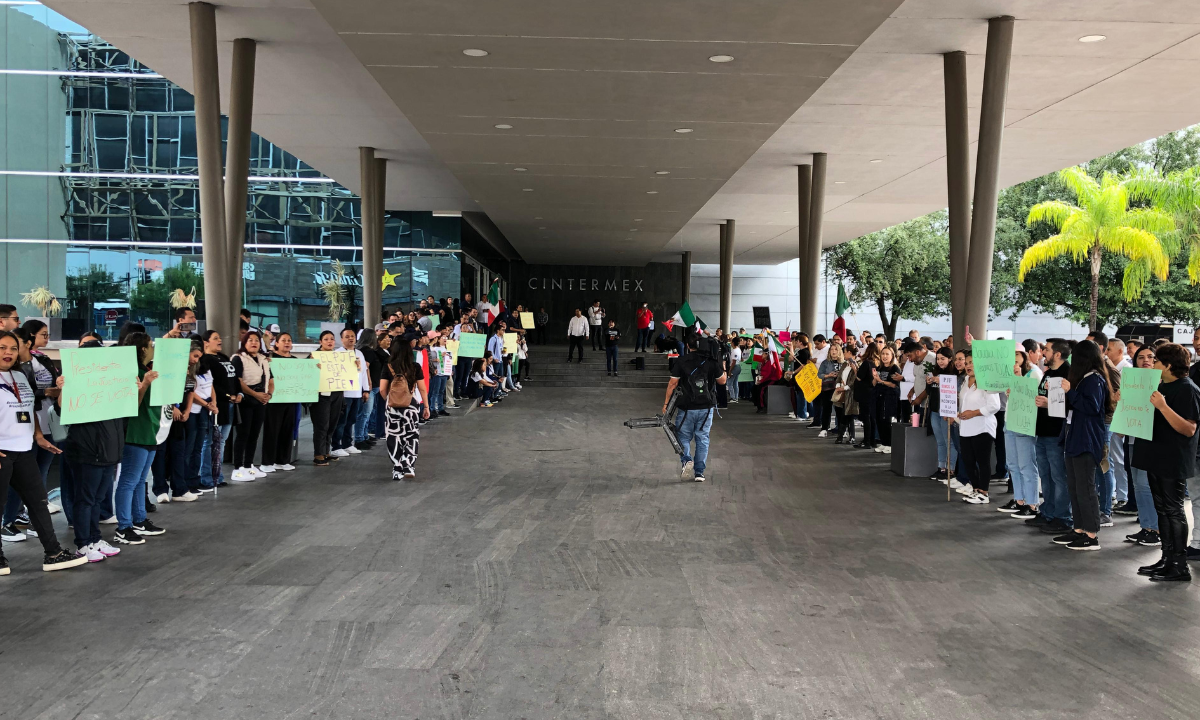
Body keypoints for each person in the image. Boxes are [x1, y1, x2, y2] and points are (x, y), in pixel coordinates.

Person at [0, 330, 89, 574]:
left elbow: (26, 409)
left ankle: (54, 553)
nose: (8, 352)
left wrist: (38, 436)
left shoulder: (19, 375)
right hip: (3, 453)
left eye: (12, 348)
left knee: (38, 504)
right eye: (2, 348)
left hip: (24, 450)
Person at [1133, 343, 1200, 581]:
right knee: (1162, 508)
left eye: (1157, 361)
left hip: (1173, 457)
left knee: (1173, 510)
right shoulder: (1162, 385)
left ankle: (1179, 564)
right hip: (1156, 454)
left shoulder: (1187, 388)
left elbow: (1189, 428)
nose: (1153, 364)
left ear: (1169, 365)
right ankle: (1166, 557)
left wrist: (1162, 407)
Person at [1053, 340, 1112, 551]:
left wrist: (1070, 392)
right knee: (1074, 486)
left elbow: (1091, 406)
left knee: (1086, 487)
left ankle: (1091, 533)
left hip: (1086, 439)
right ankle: (1078, 528)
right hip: (1074, 437)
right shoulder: (1082, 379)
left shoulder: (1094, 379)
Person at [111, 332, 167, 545]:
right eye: (150, 345)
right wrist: (144, 384)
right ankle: (123, 526)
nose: (153, 348)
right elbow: (131, 404)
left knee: (140, 480)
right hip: (135, 432)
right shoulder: (131, 372)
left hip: (150, 430)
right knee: (128, 480)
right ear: (143, 348)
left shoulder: (147, 370)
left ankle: (139, 519)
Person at [662, 332, 727, 483]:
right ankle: (699, 473)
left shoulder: (682, 361)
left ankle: (686, 460)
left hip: (686, 407)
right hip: (706, 408)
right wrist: (721, 364)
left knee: (683, 437)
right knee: (702, 438)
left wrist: (666, 404)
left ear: (687, 345)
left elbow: (672, 384)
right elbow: (722, 381)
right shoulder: (710, 361)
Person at [1029, 339, 1073, 535]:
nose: (1043, 352)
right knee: (1045, 474)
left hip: (1057, 431)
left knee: (1058, 476)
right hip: (1043, 429)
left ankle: (1063, 516)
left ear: (1057, 354)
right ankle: (1048, 510)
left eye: (1046, 349)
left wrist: (1049, 404)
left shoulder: (1068, 374)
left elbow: (1072, 404)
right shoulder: (1048, 373)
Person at [1121, 345, 1161, 547]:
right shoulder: (1131, 384)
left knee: (1146, 486)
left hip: (1151, 442)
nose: (1146, 360)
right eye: (1141, 357)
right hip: (1132, 439)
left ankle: (1154, 529)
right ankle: (1146, 527)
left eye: (1150, 357)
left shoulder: (1161, 383)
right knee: (1138, 485)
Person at [952, 350, 1002, 504]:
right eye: (966, 363)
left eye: (971, 362)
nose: (968, 366)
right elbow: (964, 405)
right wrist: (955, 415)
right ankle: (975, 489)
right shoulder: (965, 381)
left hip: (983, 427)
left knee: (983, 460)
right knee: (968, 460)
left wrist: (974, 413)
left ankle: (984, 492)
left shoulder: (986, 382)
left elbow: (994, 405)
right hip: (966, 428)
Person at [998, 350, 1042, 519]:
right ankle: (1019, 500)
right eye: (1012, 362)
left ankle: (1032, 503)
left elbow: (1036, 398)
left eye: (1018, 361)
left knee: (1026, 465)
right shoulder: (1013, 376)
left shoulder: (1034, 374)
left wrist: (1019, 380)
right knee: (1013, 464)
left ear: (1025, 360)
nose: (1015, 365)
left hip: (1025, 423)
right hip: (1010, 421)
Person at [381, 335, 427, 480]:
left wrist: (390, 399)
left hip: (392, 407)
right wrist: (426, 406)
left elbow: (382, 389)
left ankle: (397, 468)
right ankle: (409, 465)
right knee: (411, 435)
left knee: (394, 436)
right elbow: (423, 389)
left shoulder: (388, 366)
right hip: (411, 406)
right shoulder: (415, 367)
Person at [199, 330, 240, 488]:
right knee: (209, 442)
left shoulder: (223, 357)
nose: (220, 340)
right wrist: (227, 395)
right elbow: (211, 384)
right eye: (215, 338)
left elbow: (234, 378)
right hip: (218, 404)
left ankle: (218, 475)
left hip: (230, 404)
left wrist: (237, 394)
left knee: (221, 442)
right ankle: (207, 477)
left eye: (220, 337)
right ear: (206, 342)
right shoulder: (206, 360)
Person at [231, 331, 271, 480]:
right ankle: (238, 467)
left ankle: (249, 465)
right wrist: (255, 395)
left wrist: (268, 395)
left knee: (254, 434)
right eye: (250, 340)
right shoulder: (238, 358)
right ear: (244, 342)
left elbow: (269, 378)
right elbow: (238, 381)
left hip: (261, 400)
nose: (254, 343)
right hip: (246, 400)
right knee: (243, 434)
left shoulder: (263, 359)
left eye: (256, 340)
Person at [261, 332, 298, 472]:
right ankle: (267, 462)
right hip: (274, 400)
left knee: (287, 430)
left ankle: (283, 460)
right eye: (283, 340)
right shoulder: (270, 359)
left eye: (289, 340)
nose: (287, 343)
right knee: (272, 430)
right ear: (276, 343)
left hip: (291, 399)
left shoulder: (296, 360)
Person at [330, 328, 367, 458]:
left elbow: (363, 373)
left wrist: (366, 389)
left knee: (351, 420)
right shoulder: (337, 353)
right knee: (341, 421)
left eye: (352, 336)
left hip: (357, 393)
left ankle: (347, 444)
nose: (351, 338)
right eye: (347, 336)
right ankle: (336, 446)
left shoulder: (359, 353)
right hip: (344, 394)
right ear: (342, 339)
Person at [927, 348, 957, 480]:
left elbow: (956, 389)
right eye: (938, 359)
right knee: (940, 441)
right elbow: (929, 392)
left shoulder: (954, 373)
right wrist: (929, 383)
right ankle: (941, 467)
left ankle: (952, 469)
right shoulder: (935, 371)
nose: (940, 362)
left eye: (942, 359)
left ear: (950, 358)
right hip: (935, 409)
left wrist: (942, 382)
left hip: (947, 410)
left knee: (949, 441)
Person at [355, 329, 384, 449]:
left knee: (368, 412)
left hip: (372, 386)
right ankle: (359, 438)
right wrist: (369, 383)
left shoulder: (364, 351)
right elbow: (365, 368)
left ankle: (364, 435)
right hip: (369, 387)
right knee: (365, 413)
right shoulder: (367, 351)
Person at [871, 345, 902, 454]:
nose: (884, 356)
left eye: (887, 354)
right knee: (879, 419)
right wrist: (875, 378)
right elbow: (874, 383)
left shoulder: (894, 368)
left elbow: (894, 385)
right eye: (883, 354)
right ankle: (884, 442)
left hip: (890, 397)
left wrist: (881, 381)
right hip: (878, 396)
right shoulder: (879, 367)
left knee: (887, 420)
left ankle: (890, 444)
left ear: (892, 356)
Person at [816, 344, 843, 438]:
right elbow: (819, 375)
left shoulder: (843, 363)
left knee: (840, 410)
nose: (833, 351)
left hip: (839, 389)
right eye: (832, 349)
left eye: (836, 349)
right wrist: (829, 375)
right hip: (827, 388)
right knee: (826, 409)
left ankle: (841, 429)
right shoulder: (825, 362)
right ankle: (824, 429)